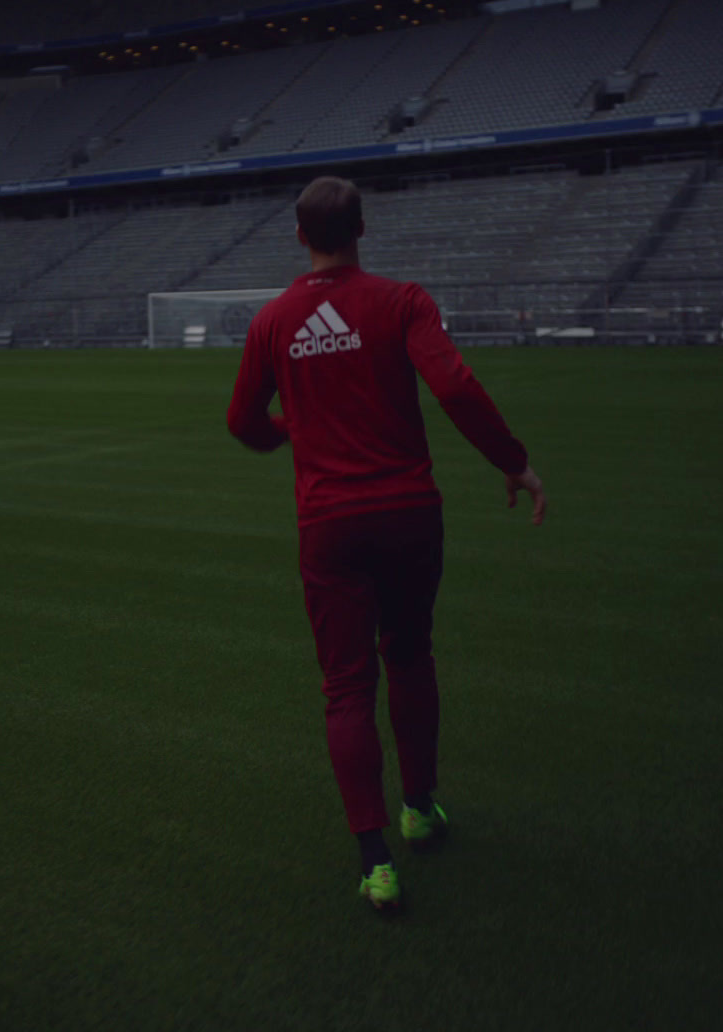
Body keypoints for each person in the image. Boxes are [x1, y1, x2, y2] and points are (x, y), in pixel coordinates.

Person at [226, 176, 546, 912]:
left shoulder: (274, 321)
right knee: (408, 655)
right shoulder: (402, 301)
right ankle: (420, 808)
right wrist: (513, 462)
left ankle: (376, 863)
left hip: (329, 525)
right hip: (408, 514)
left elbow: (243, 422)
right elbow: (456, 387)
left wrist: (290, 430)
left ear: (299, 237)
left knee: (344, 687)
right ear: (362, 229)